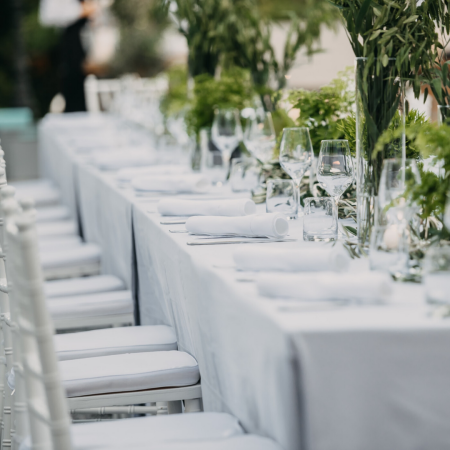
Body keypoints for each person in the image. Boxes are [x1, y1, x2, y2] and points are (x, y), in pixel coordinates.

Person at [39, 0, 98, 112]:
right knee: (74, 88)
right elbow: (47, 15)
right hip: (72, 43)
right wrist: (81, 10)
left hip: (92, 42)